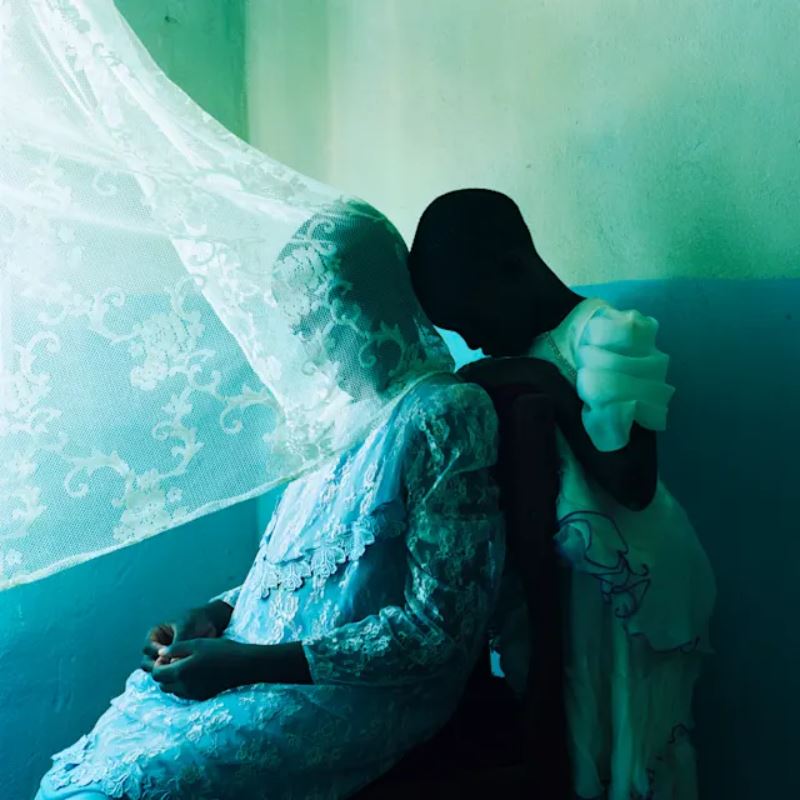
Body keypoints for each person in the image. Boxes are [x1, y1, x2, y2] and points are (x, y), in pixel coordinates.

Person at [35, 207, 505, 799]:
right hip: (248, 670)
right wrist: (215, 613)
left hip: (354, 695)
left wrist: (249, 664)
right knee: (76, 782)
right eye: (298, 328)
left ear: (368, 302)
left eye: (318, 322)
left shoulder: (444, 415)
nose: (309, 350)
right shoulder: (332, 428)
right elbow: (308, 575)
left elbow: (439, 629)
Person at [408, 188, 716, 800]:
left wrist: (542, 379)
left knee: (634, 738)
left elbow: (632, 482)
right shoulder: (518, 350)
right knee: (581, 739)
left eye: (472, 319)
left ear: (513, 269)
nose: (474, 339)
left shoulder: (605, 333)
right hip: (573, 591)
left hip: (636, 582)